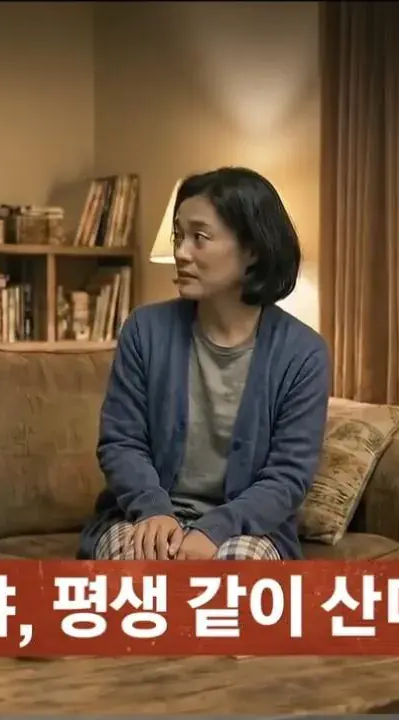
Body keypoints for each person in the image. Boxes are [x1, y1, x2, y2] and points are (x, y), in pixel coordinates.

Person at [78, 167, 330, 563]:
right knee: (136, 574)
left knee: (232, 579)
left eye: (200, 237)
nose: (181, 252)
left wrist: (214, 530)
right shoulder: (144, 330)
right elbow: (121, 443)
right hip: (142, 518)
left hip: (247, 529)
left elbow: (288, 477)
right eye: (179, 236)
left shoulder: (303, 353)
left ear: (252, 249)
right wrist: (153, 510)